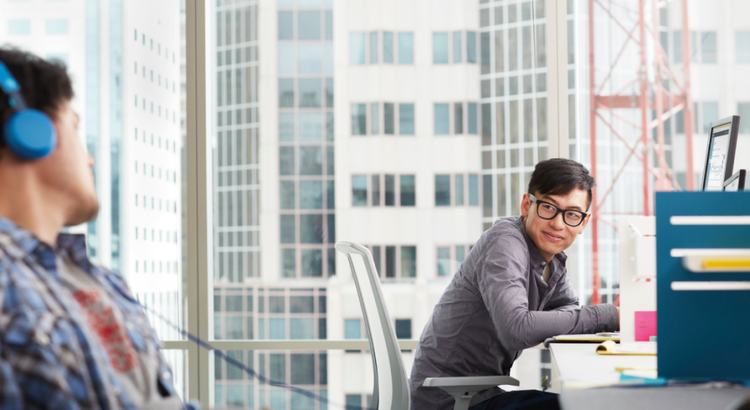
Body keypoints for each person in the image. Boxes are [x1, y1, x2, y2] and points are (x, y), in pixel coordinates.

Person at [0, 47, 197, 409]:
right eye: (75, 127)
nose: (89, 157)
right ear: (31, 133)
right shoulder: (6, 284)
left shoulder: (104, 282)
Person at [410, 158, 619, 410]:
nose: (558, 223)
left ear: (583, 223)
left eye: (572, 214)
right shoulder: (505, 243)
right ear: (526, 204)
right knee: (588, 405)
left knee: (592, 402)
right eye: (549, 207)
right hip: (449, 400)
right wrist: (609, 315)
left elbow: (570, 309)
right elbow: (516, 329)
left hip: (477, 393)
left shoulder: (551, 260)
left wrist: (552, 319)